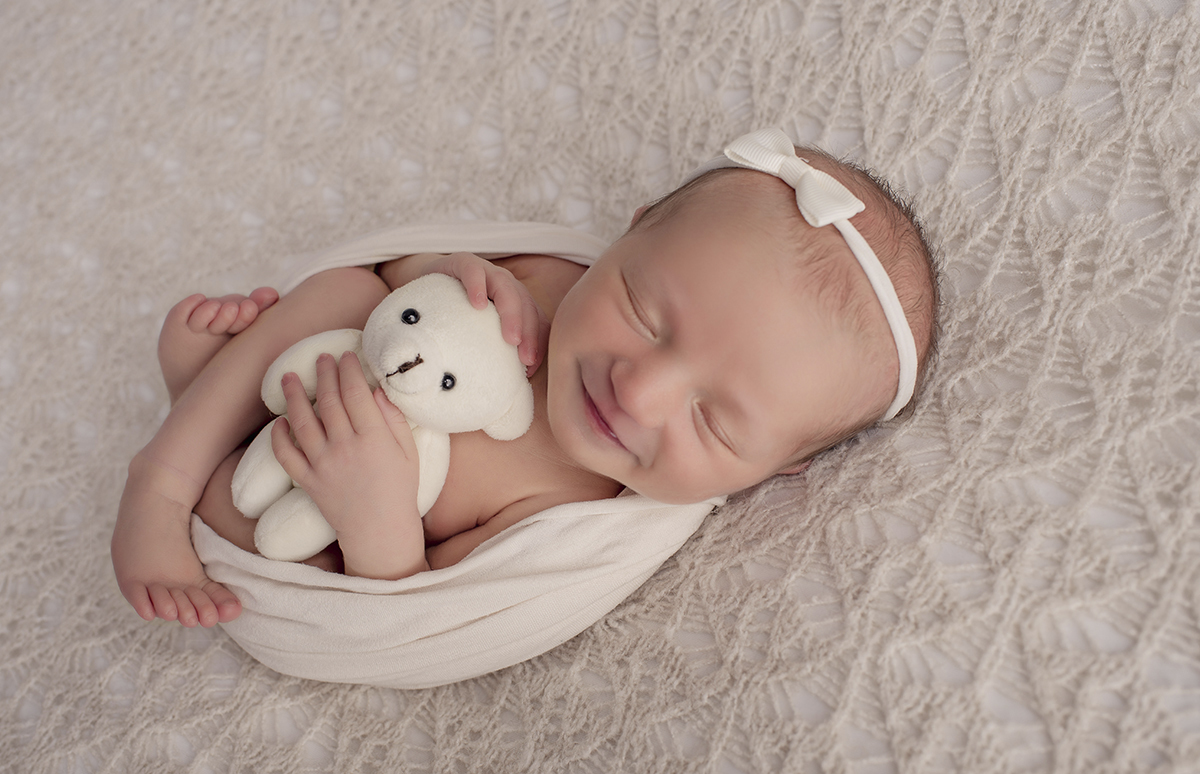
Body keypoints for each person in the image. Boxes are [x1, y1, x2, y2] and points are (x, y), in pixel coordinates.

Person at [111, 129, 939, 628]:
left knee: (265, 535)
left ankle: (207, 408)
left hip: (310, 514)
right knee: (344, 293)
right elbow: (392, 268)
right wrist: (449, 269)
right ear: (631, 231)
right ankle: (161, 478)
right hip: (323, 369)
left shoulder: (575, 519)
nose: (638, 390)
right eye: (644, 313)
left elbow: (422, 608)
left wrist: (377, 514)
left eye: (715, 422)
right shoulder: (541, 283)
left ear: (774, 468)